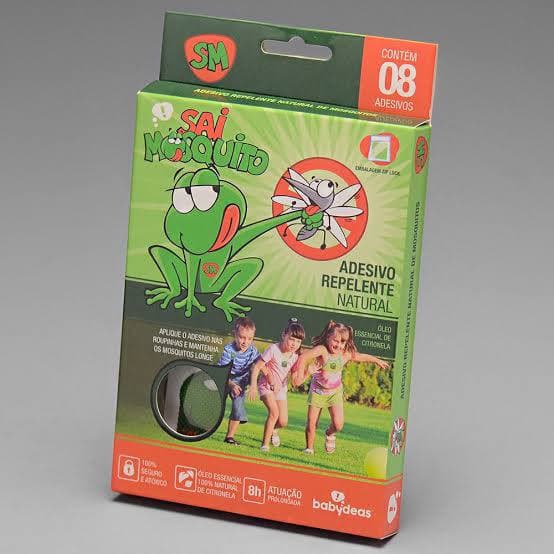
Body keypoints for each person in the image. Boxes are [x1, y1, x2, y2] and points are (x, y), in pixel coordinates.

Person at [293, 320, 390, 454]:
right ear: (328, 337)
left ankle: (329, 433)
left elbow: (361, 356)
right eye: (335, 341)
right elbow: (303, 357)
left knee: (338, 425)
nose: (338, 345)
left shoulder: (345, 354)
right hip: (317, 391)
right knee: (311, 424)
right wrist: (301, 374)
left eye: (342, 342)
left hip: (335, 393)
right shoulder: (322, 350)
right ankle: (309, 448)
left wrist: (377, 360)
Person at [248, 318, 305, 452]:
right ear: (284, 335)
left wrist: (309, 371)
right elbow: (258, 366)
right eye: (291, 339)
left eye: (298, 341)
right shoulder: (273, 349)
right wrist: (253, 386)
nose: (294, 344)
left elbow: (295, 380)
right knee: (274, 413)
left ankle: (273, 430)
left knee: (283, 421)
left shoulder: (295, 356)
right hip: (266, 387)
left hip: (281, 389)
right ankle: (265, 445)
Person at [217, 317, 259, 445]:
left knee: (237, 405)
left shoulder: (253, 351)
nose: (245, 342)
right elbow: (222, 373)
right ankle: (205, 426)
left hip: (241, 381)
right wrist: (231, 384)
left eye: (250, 339)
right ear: (235, 335)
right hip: (225, 378)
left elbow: (260, 365)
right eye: (242, 337)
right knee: (217, 403)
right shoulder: (229, 350)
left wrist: (269, 377)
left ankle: (229, 437)